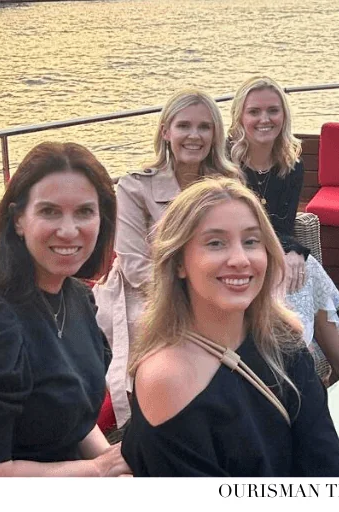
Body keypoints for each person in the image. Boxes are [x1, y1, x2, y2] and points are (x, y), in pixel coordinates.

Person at [0, 142, 129, 477]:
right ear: (18, 220)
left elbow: (73, 414)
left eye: (85, 212)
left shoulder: (76, 298)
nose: (69, 229)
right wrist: (100, 469)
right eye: (50, 211)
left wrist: (115, 464)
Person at [120, 177, 339, 477]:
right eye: (215, 243)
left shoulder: (284, 342)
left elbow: (327, 465)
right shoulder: (168, 378)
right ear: (179, 263)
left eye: (251, 241)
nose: (241, 259)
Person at [92, 88, 241, 426]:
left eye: (204, 127)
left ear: (215, 134)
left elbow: (242, 243)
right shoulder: (134, 187)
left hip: (216, 283)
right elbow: (132, 264)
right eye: (184, 126)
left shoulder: (229, 183)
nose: (194, 135)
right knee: (165, 329)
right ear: (166, 131)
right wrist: (193, 296)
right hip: (145, 291)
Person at [228, 76, 339, 382]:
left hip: (269, 245)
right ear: (240, 117)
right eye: (254, 111)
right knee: (300, 269)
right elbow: (236, 226)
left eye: (273, 110)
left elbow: (281, 224)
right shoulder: (225, 163)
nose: (264, 119)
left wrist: (294, 250)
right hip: (235, 248)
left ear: (284, 115)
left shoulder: (290, 162)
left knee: (303, 270)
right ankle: (315, 362)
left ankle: (332, 365)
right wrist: (293, 248)